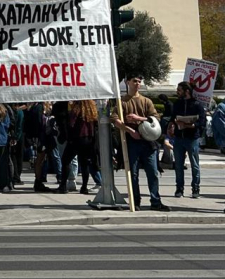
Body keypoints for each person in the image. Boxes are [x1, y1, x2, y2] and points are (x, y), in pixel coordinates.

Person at [111, 76, 169, 212]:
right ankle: (135, 201)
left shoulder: (146, 101)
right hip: (131, 141)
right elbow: (114, 119)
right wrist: (129, 130)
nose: (137, 84)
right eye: (134, 81)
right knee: (133, 173)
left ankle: (156, 201)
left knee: (153, 172)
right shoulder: (122, 102)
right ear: (127, 83)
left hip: (148, 141)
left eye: (139, 81)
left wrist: (139, 118)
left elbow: (155, 118)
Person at [169, 81, 206, 199]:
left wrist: (190, 125)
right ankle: (179, 188)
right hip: (179, 137)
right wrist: (172, 125)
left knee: (194, 164)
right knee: (178, 165)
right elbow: (172, 117)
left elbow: (202, 122)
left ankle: (196, 188)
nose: (177, 92)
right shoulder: (177, 104)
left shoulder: (197, 105)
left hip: (192, 138)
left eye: (179, 90)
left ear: (187, 91)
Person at [57, 100, 98, 195]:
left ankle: (63, 186)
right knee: (84, 164)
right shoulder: (91, 110)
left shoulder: (76, 109)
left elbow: (71, 123)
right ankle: (84, 187)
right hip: (88, 139)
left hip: (76, 138)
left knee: (65, 160)